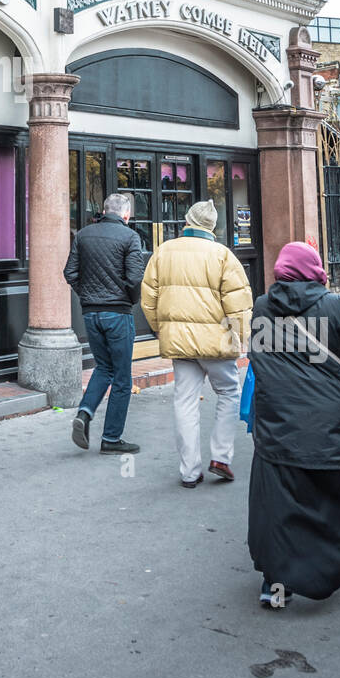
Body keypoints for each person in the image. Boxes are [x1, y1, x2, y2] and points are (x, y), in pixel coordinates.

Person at [247, 241, 340, 608]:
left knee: (281, 506)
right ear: (315, 270)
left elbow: (259, 361)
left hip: (280, 431)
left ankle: (276, 583)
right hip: (338, 431)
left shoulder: (262, 308)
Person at [140, 199, 252, 487]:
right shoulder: (223, 256)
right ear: (212, 227)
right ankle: (221, 457)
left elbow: (148, 300)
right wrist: (241, 338)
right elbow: (238, 305)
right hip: (217, 344)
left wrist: (163, 330)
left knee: (184, 401)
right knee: (229, 392)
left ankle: (189, 470)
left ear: (187, 221)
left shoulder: (164, 252)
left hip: (181, 345)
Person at [64, 192, 145, 454]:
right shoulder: (130, 236)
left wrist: (87, 296)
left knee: (104, 368)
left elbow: (70, 273)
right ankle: (111, 438)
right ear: (125, 215)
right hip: (118, 314)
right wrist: (128, 300)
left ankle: (85, 413)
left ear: (104, 210)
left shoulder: (84, 234)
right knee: (121, 377)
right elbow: (134, 279)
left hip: (91, 313)